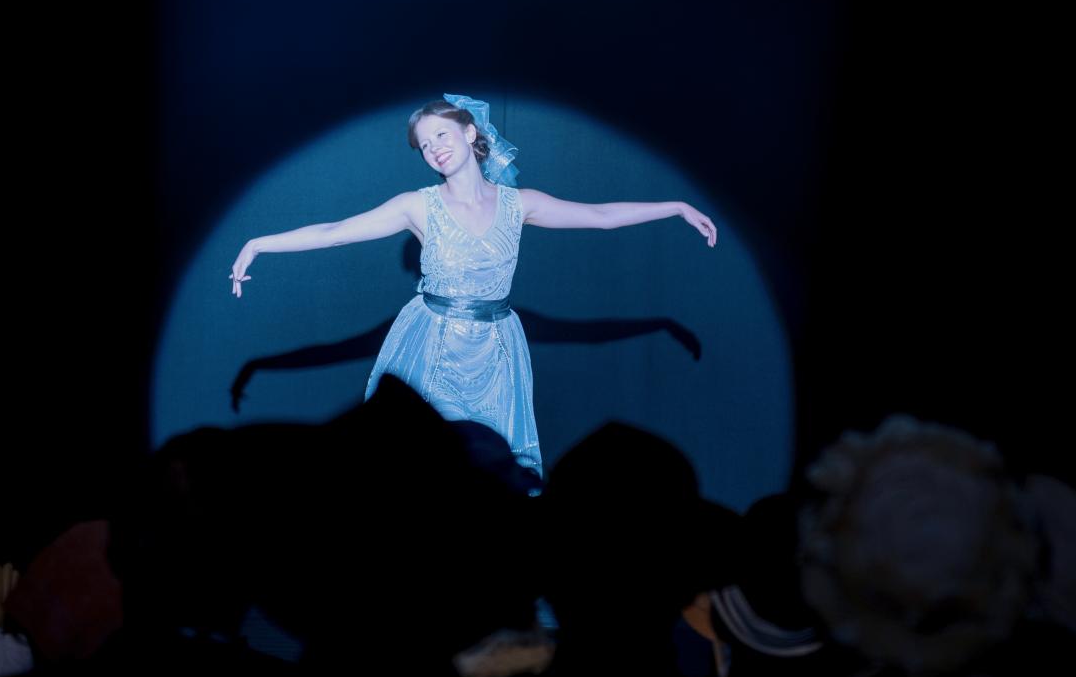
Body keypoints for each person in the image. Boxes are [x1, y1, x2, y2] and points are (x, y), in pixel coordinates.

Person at [229, 94, 717, 477]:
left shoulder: (519, 203)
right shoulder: (417, 206)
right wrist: (259, 244)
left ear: (469, 132)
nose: (435, 148)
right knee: (429, 462)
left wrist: (674, 207)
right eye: (425, 145)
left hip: (496, 351)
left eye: (441, 134)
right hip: (432, 346)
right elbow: (335, 232)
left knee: (489, 469)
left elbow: (600, 216)